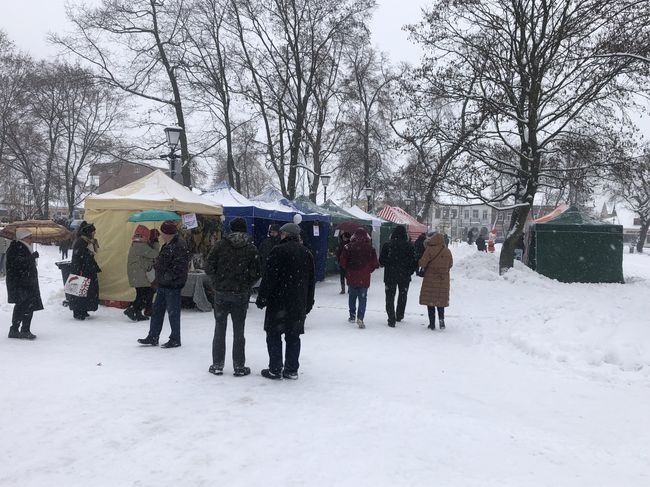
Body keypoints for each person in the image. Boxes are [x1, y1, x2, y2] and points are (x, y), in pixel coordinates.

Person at [256, 222, 315, 380]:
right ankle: (291, 369)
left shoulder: (277, 251)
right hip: (297, 302)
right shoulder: (306, 253)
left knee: (274, 334)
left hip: (278, 302)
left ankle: (275, 368)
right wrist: (309, 302)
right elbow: (311, 281)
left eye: (281, 233)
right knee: (293, 336)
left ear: (286, 235)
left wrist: (262, 298)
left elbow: (269, 278)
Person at [205, 217, 260, 377]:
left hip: (221, 294)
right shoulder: (250, 248)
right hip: (240, 295)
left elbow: (209, 266)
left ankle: (217, 364)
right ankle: (239, 366)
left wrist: (217, 282)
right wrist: (246, 284)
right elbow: (257, 272)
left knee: (219, 329)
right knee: (239, 331)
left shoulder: (220, 245)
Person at [138, 220, 189, 348]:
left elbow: (179, 267)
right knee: (157, 311)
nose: (161, 235)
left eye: (162, 232)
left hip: (172, 285)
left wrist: (166, 276)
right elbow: (166, 262)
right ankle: (153, 336)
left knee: (173, 313)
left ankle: (175, 338)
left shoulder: (178, 245)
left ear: (168, 233)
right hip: (163, 283)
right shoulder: (168, 244)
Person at [6, 229, 43, 339]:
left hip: (26, 282)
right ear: (23, 238)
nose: (31, 239)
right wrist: (31, 257)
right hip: (21, 283)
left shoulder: (24, 247)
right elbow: (16, 263)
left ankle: (22, 329)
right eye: (29, 237)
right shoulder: (16, 247)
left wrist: (31, 257)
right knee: (23, 306)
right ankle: (18, 329)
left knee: (26, 306)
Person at [339, 228, 379, 329]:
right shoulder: (370, 248)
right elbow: (375, 263)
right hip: (364, 277)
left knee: (352, 296)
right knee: (363, 298)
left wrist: (348, 269)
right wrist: (367, 270)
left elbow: (342, 262)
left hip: (352, 276)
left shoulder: (348, 247)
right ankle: (360, 317)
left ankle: (352, 315)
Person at [379, 225, 417, 327]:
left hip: (390, 275)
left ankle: (391, 318)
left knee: (390, 296)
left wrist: (390, 262)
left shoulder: (387, 245)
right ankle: (399, 314)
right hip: (404, 275)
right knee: (403, 295)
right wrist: (409, 271)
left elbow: (381, 261)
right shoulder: (410, 246)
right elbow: (414, 262)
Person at [124, 225, 160, 321]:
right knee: (144, 293)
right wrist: (156, 242)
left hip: (137, 273)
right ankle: (133, 309)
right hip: (139, 274)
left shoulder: (136, 243)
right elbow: (155, 254)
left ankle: (137, 312)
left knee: (141, 293)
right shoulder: (141, 245)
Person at [418, 233, 453, 330]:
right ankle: (441, 321)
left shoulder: (429, 250)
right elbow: (450, 264)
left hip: (430, 279)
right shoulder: (447, 251)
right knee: (440, 302)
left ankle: (432, 323)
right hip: (443, 279)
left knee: (431, 302)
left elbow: (422, 263)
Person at [69, 221, 101, 321]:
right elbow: (80, 257)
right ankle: (78, 311)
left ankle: (83, 309)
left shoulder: (86, 241)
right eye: (93, 232)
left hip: (85, 270)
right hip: (81, 271)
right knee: (80, 291)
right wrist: (82, 270)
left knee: (85, 291)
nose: (94, 234)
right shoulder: (81, 242)